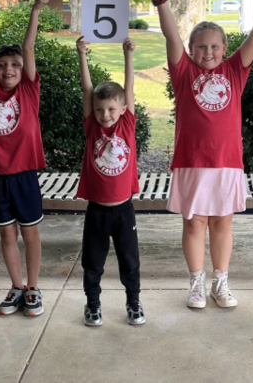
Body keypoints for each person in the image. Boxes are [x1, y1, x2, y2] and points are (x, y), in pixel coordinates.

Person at [145, 0, 253, 309]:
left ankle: (220, 282)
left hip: (226, 161)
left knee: (223, 223)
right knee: (195, 223)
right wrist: (161, 1)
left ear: (225, 48)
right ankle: (196, 282)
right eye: (200, 47)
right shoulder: (183, 72)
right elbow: (171, 37)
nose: (207, 53)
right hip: (192, 162)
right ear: (192, 49)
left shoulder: (235, 71)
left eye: (214, 47)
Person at [0, 0, 49, 317]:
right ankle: (16, 286)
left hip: (24, 175)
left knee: (29, 234)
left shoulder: (29, 91)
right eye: (2, 65)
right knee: (7, 234)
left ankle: (33, 287)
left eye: (14, 65)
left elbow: (29, 46)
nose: (7, 70)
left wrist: (35, 9)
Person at [75, 35, 144, 327]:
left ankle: (134, 302)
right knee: (93, 263)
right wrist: (82, 54)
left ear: (123, 109)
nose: (105, 115)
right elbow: (87, 88)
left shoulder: (127, 123)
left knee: (129, 262)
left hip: (123, 209)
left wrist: (127, 54)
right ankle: (92, 305)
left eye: (111, 109)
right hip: (97, 211)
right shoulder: (93, 127)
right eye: (100, 110)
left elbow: (128, 88)